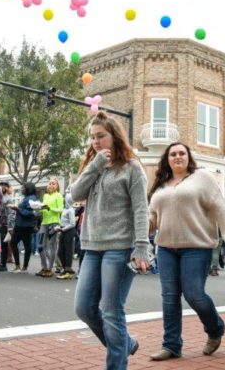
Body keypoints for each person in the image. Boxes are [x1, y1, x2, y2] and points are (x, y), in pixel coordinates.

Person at [147, 142, 225, 361]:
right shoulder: (161, 184)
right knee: (169, 297)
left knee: (194, 294)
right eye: (173, 154)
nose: (177, 157)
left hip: (197, 246)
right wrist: (138, 227)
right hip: (165, 248)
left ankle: (215, 329)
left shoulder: (203, 177)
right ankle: (171, 345)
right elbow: (152, 218)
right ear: (167, 159)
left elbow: (220, 206)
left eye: (182, 153)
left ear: (189, 157)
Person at [71, 111, 151, 370]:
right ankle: (125, 344)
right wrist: (94, 166)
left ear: (114, 136)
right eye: (92, 137)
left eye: (101, 136)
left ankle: (116, 364)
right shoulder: (92, 166)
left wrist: (141, 248)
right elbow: (75, 194)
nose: (95, 141)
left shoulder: (131, 168)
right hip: (92, 247)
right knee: (84, 308)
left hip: (120, 248)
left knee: (111, 311)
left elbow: (141, 210)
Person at [36, 178, 64, 277]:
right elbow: (44, 210)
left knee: (51, 246)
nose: (51, 185)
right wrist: (39, 208)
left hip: (54, 223)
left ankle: (50, 268)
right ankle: (44, 267)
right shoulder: (45, 195)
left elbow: (60, 210)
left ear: (57, 186)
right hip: (44, 223)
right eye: (50, 183)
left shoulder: (59, 195)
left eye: (54, 184)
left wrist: (49, 207)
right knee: (40, 246)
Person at [11, 182, 39, 273]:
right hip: (20, 225)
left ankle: (23, 267)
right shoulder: (27, 198)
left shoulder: (32, 198)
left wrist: (17, 209)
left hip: (25, 226)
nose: (22, 189)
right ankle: (20, 266)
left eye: (24, 188)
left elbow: (29, 213)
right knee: (16, 244)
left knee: (25, 245)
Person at [56, 194, 77, 280]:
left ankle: (68, 271)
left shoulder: (71, 210)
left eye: (66, 198)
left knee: (68, 251)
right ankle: (65, 269)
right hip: (63, 230)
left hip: (68, 231)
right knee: (60, 252)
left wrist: (63, 229)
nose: (64, 199)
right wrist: (60, 227)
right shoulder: (65, 209)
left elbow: (72, 224)